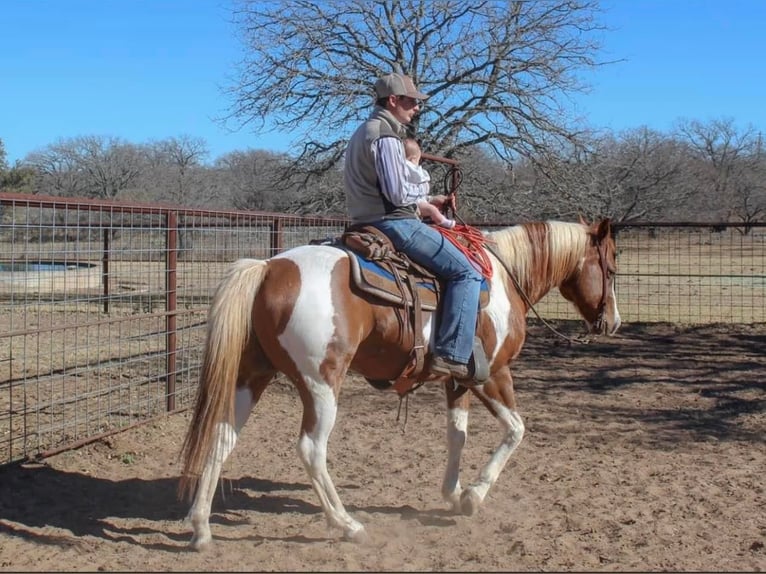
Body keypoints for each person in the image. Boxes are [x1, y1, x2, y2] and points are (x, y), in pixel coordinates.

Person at [343, 72, 484, 383]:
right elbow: (396, 194)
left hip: (365, 221)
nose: (416, 108)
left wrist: (427, 199)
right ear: (393, 100)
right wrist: (427, 203)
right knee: (468, 272)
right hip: (395, 223)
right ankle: (452, 356)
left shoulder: (362, 131)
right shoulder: (386, 135)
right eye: (411, 102)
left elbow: (385, 188)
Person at [402, 138, 456, 230]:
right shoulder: (410, 169)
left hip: (414, 202)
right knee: (432, 210)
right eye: (418, 160)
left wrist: (431, 199)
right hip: (411, 207)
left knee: (431, 208)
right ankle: (443, 221)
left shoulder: (399, 170)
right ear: (413, 158)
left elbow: (413, 191)